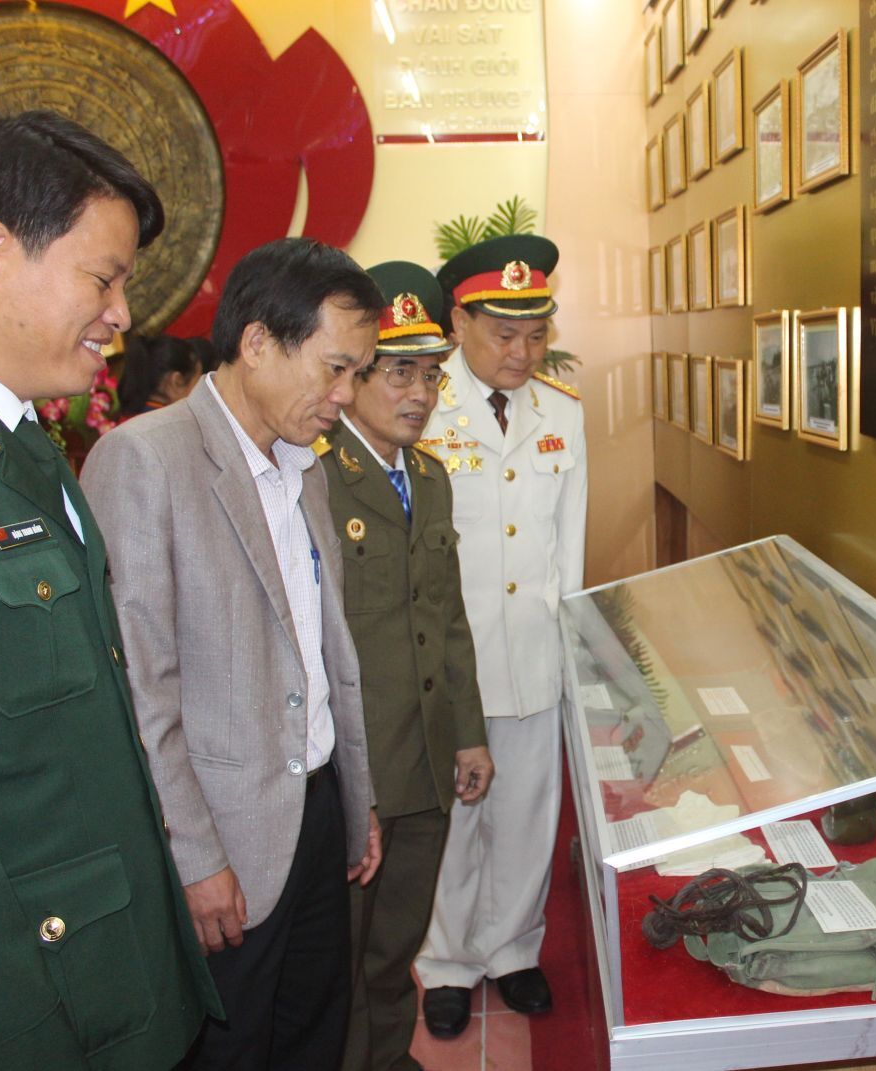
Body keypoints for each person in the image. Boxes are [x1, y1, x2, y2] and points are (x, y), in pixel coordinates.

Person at [0, 105, 219, 1070]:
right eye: (103, 277)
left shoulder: (20, 443)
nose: (123, 313)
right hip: (29, 1016)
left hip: (113, 980)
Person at [80, 237, 385, 1070]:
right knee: (231, 1049)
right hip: (224, 836)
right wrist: (195, 857)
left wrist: (353, 795)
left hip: (316, 811)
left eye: (357, 372)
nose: (346, 395)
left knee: (314, 1033)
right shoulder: (146, 458)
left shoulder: (304, 466)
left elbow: (322, 652)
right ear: (257, 342)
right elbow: (139, 689)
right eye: (334, 369)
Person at [320, 260, 495, 1070]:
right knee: (343, 952)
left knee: (397, 943)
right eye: (399, 373)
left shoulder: (428, 477)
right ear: (355, 375)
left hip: (424, 757)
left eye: (430, 374)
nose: (420, 393)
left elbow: (447, 618)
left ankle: (389, 1057)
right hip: (358, 769)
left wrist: (468, 732)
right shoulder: (317, 477)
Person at [413, 234, 587, 1037]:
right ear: (460, 323)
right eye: (504, 334)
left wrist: (573, 657)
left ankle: (514, 949)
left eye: (536, 334)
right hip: (453, 663)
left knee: (526, 812)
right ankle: (447, 960)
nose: (523, 352)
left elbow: (568, 551)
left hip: (534, 652)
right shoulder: (420, 407)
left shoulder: (563, 415)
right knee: (454, 817)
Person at [119, 333, 202, 416]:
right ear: (176, 381)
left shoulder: (130, 416)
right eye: (199, 381)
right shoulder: (173, 421)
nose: (203, 390)